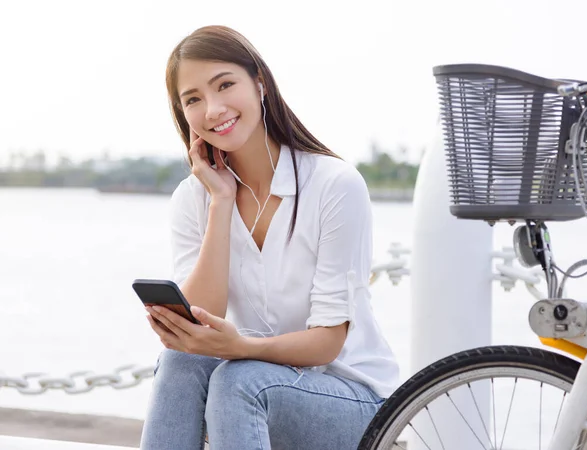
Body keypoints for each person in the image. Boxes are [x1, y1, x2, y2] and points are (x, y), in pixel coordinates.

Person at [140, 25, 399, 450]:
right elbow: (201, 318)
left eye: (225, 85)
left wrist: (239, 346)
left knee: (241, 380)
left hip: (354, 399)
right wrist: (221, 201)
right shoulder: (194, 198)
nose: (213, 109)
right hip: (251, 390)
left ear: (259, 82)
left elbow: (328, 343)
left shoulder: (334, 185)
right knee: (180, 361)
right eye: (193, 99)